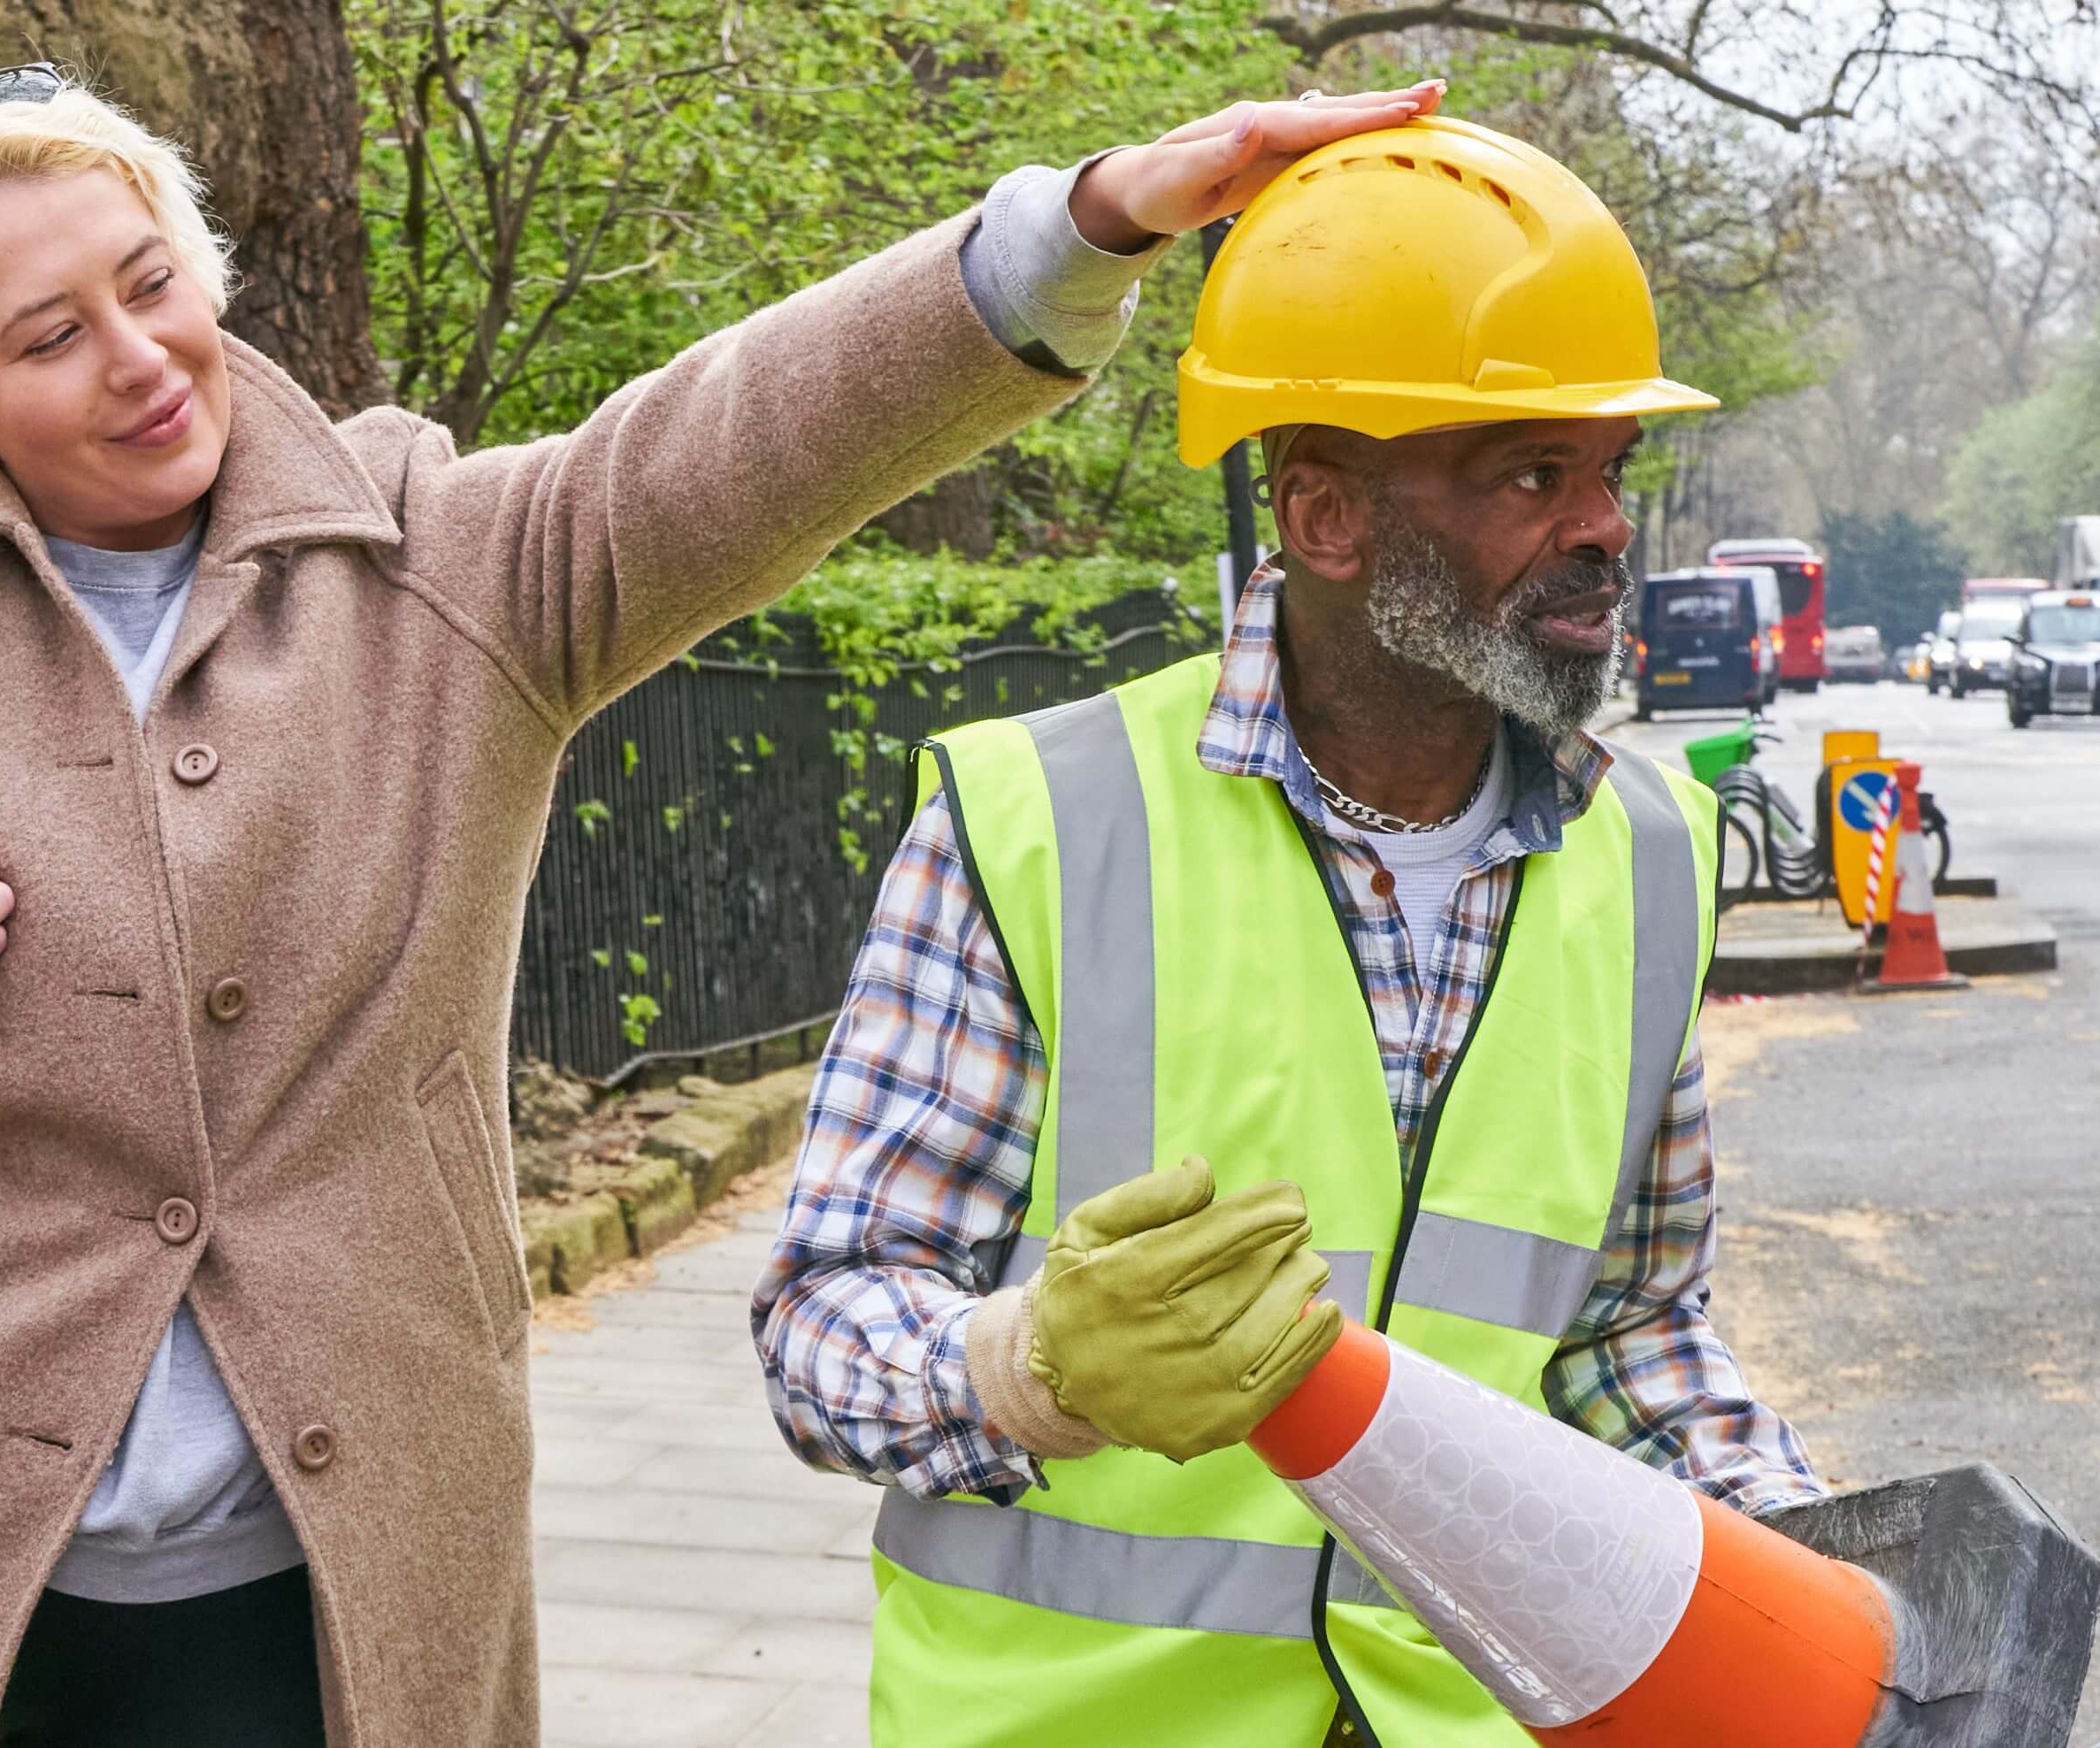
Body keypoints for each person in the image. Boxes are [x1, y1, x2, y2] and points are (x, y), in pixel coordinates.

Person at [0, 42, 1444, 1747]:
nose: (139, 357)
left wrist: (1078, 225)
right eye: (48, 335)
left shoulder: (443, 571)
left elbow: (734, 441)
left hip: (317, 1608)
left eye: (151, 286)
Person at [752, 115, 1824, 1747]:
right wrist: (1023, 1366)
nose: (1604, 526)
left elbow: (1625, 1325)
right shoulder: (1036, 824)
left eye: (1610, 468)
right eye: (1532, 472)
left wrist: (1817, 1577)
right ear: (1323, 518)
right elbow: (823, 1319)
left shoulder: (1654, 854)